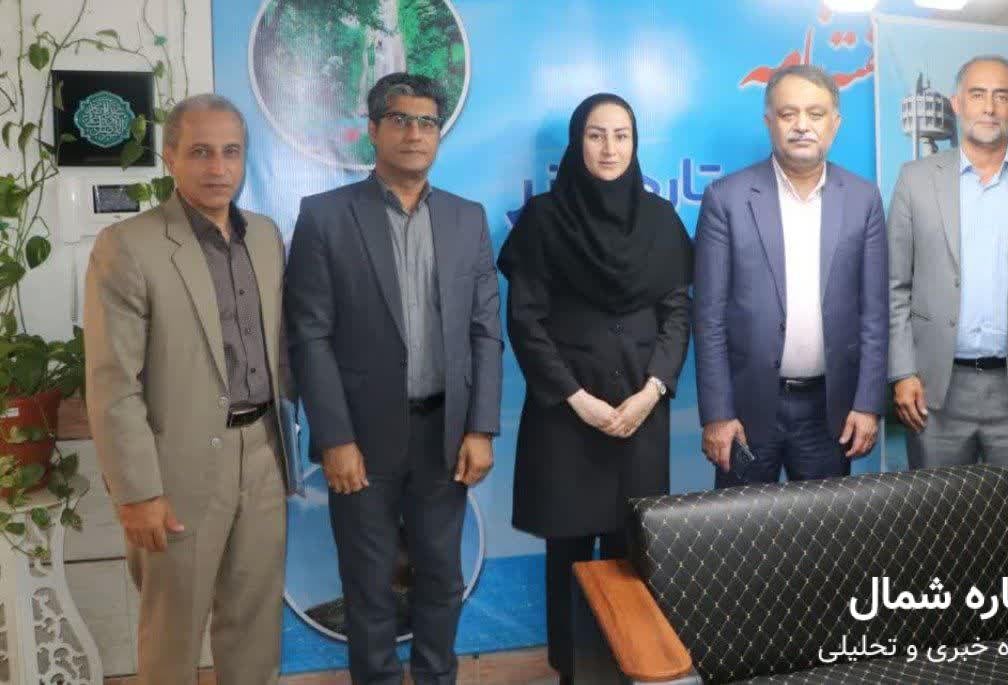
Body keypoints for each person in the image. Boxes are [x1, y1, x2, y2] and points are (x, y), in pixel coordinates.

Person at [284, 72, 503, 685]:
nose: (415, 133)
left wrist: (481, 427)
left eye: (427, 122)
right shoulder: (326, 217)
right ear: (374, 130)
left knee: (441, 578)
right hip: (362, 441)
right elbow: (310, 336)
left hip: (444, 437)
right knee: (368, 583)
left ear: (439, 134)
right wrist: (334, 438)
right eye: (401, 120)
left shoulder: (466, 218)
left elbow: (486, 332)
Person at [84, 93, 290, 684]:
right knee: (172, 638)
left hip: (263, 455)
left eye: (231, 152)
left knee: (255, 630)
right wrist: (138, 492)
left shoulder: (266, 238)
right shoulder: (128, 246)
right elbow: (113, 383)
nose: (218, 167)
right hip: (175, 470)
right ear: (170, 156)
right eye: (200, 152)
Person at [499, 93, 692, 685]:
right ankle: (572, 672)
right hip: (566, 419)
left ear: (636, 144)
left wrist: (652, 391)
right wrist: (577, 399)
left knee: (636, 554)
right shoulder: (543, 220)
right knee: (569, 555)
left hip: (640, 414)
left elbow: (677, 314)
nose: (609, 148)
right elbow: (525, 322)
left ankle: (631, 669)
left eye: (621, 135)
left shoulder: (660, 220)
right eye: (595, 135)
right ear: (576, 143)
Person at [887, 55, 1008, 513]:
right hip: (934, 391)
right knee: (937, 525)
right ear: (957, 103)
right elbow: (895, 286)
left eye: (1001, 96)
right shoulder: (915, 180)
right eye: (977, 95)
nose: (989, 107)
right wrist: (903, 371)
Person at [694, 64, 888, 487]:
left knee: (825, 528)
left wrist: (868, 403)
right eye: (788, 114)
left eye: (815, 114)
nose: (802, 125)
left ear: (835, 124)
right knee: (741, 528)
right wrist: (718, 414)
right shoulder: (726, 199)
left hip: (830, 411)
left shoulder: (863, 199)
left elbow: (875, 314)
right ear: (770, 122)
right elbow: (708, 318)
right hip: (746, 412)